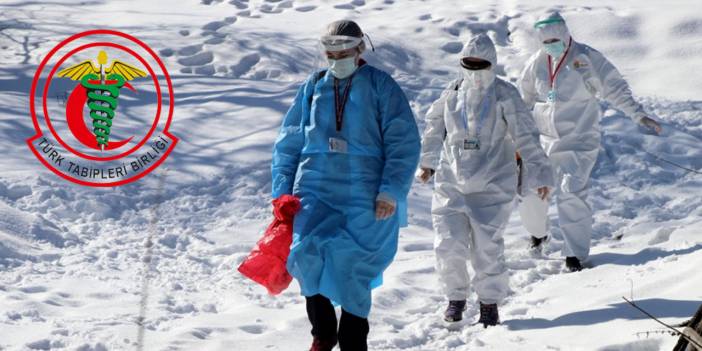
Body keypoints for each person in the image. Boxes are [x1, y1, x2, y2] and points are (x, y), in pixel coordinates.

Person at [271, 20, 421, 351]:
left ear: (360, 49)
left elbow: (403, 142)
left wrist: (391, 190)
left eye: (343, 51)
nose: (336, 57)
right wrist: (281, 190)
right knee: (305, 254)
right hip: (314, 187)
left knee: (353, 268)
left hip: (366, 194)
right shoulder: (313, 86)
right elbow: (289, 142)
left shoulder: (381, 86)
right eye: (330, 52)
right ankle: (323, 334)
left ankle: (353, 341)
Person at [418, 33, 553, 326]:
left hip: (493, 184)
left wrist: (540, 172)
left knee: (487, 248)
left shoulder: (505, 94)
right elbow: (433, 128)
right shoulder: (451, 93)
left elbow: (526, 136)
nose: (475, 69)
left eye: (481, 64)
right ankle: (455, 298)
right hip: (451, 182)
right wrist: (427, 163)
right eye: (470, 63)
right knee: (448, 243)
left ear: (491, 64)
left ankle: (489, 303)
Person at [517, 11, 662, 272]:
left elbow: (614, 86)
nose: (550, 43)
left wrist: (638, 115)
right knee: (531, 192)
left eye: (554, 37)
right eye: (545, 39)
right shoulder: (536, 63)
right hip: (545, 142)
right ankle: (538, 233)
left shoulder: (586, 58)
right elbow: (522, 101)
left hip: (579, 141)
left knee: (571, 193)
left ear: (564, 32)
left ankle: (575, 254)